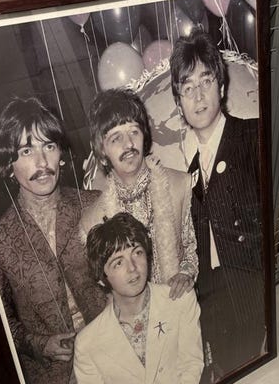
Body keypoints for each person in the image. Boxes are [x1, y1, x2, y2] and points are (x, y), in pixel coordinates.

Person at [0, 97, 106, 384]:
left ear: (62, 155)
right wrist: (41, 344)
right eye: (26, 151)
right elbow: (1, 324)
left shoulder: (95, 205)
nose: (41, 162)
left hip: (114, 352)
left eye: (48, 146)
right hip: (57, 378)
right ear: (9, 165)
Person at [170, 27, 266, 384]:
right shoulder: (190, 172)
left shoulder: (253, 136)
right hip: (215, 304)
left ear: (221, 87)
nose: (198, 96)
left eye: (206, 81)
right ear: (179, 103)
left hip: (253, 293)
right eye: (187, 88)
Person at [74, 212, 203, 384]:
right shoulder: (88, 343)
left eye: (137, 253)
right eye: (118, 262)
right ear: (102, 278)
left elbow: (191, 367)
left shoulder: (179, 301)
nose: (133, 268)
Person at [80, 88, 198, 300]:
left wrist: (185, 274)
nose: (128, 144)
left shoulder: (182, 185)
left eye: (134, 132)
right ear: (102, 153)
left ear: (144, 136)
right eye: (116, 138)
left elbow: (195, 249)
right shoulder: (92, 220)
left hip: (181, 306)